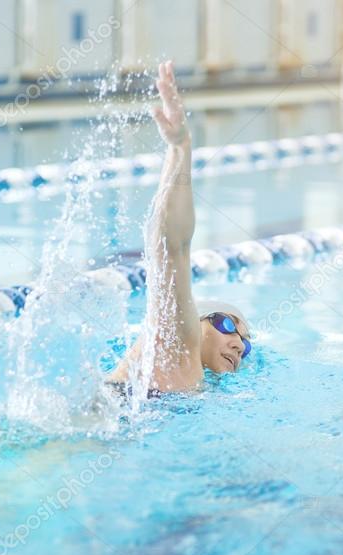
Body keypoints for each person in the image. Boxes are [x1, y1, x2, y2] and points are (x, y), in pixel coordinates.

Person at [106, 61, 253, 395]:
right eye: (228, 325)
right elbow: (171, 249)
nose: (238, 345)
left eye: (246, 345)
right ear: (194, 320)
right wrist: (181, 148)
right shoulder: (177, 345)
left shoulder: (186, 376)